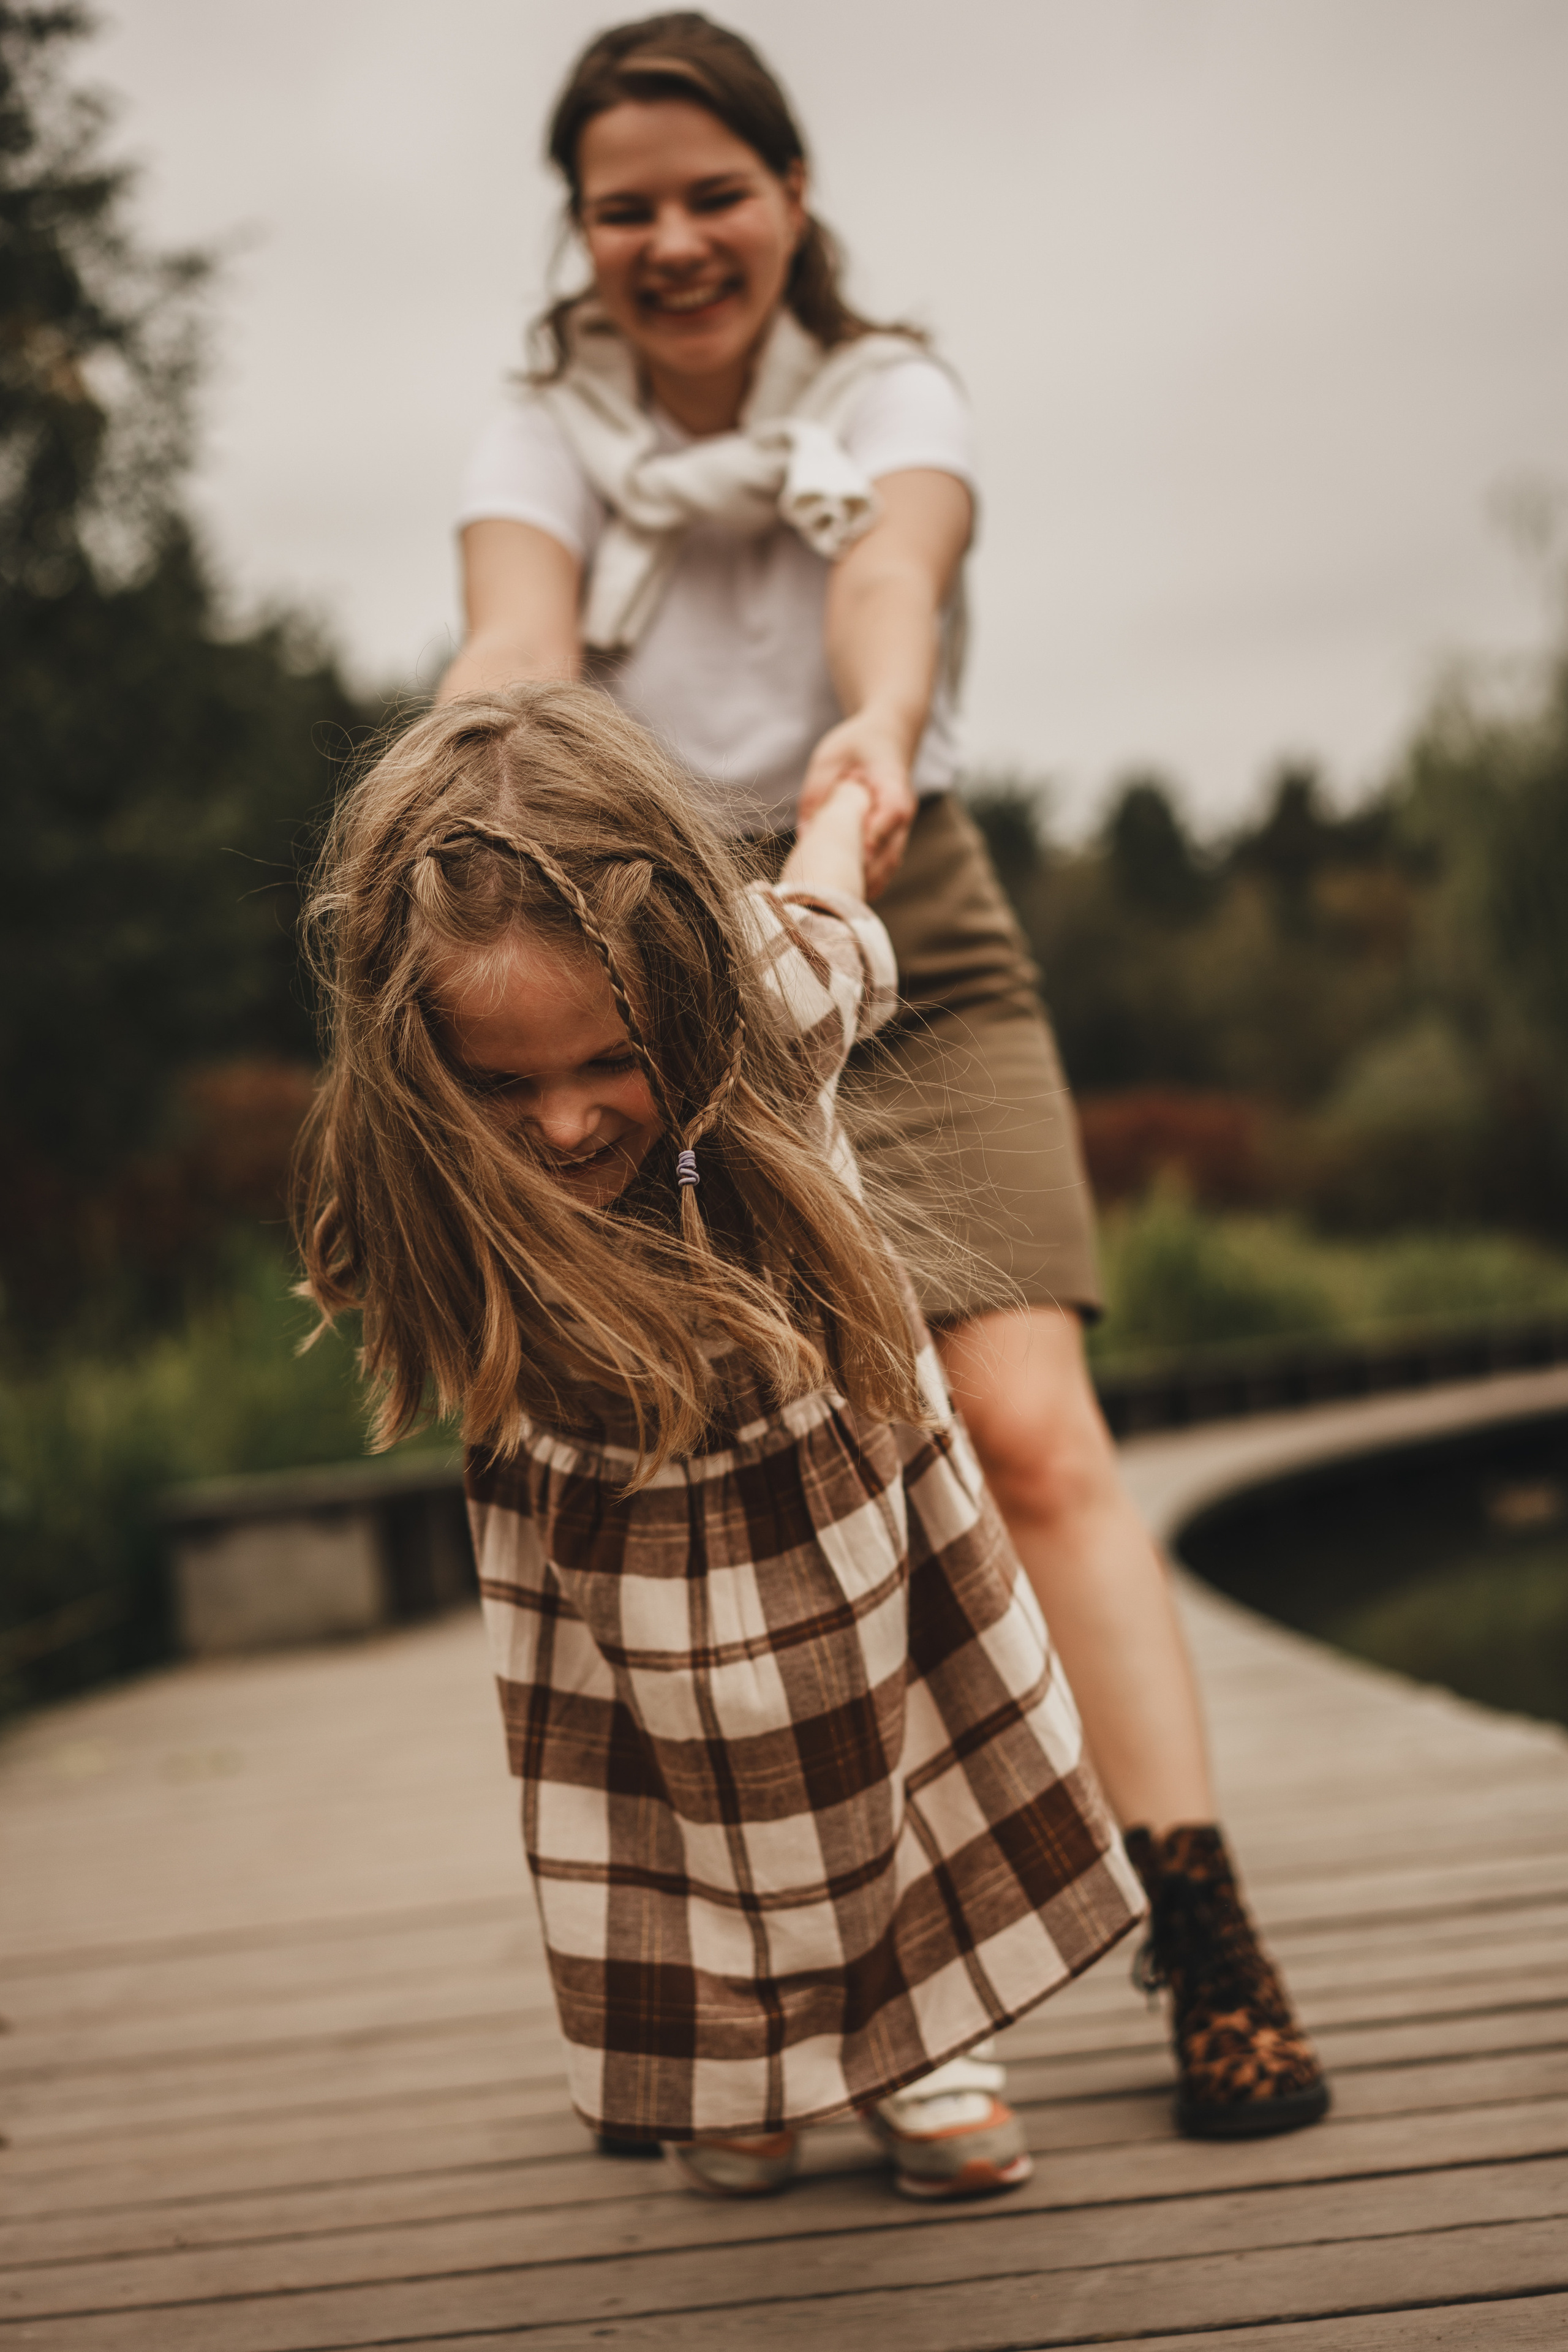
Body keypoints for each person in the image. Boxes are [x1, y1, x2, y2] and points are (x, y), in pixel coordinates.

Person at [439, 11, 1327, 2143]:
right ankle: (747, 2015)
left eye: (713, 195)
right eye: (626, 208)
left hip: (893, 909)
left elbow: (893, 587)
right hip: (633, 974)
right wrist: (452, 781)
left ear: (793, 196)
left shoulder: (887, 391)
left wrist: (869, 754)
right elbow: (517, 648)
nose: (673, 241)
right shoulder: (540, 428)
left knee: (1027, 1431)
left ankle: (1203, 1935)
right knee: (721, 1487)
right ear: (580, 229)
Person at [294, 682, 1145, 2197]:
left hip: (832, 1493)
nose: (564, 1124)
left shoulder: (765, 1002)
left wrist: (851, 788)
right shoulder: (418, 1133)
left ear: (683, 987)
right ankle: (736, 2069)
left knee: (874, 1758)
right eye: (505, 1084)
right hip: (608, 1540)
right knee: (674, 1800)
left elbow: (830, 904)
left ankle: (921, 2048)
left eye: (605, 1061)